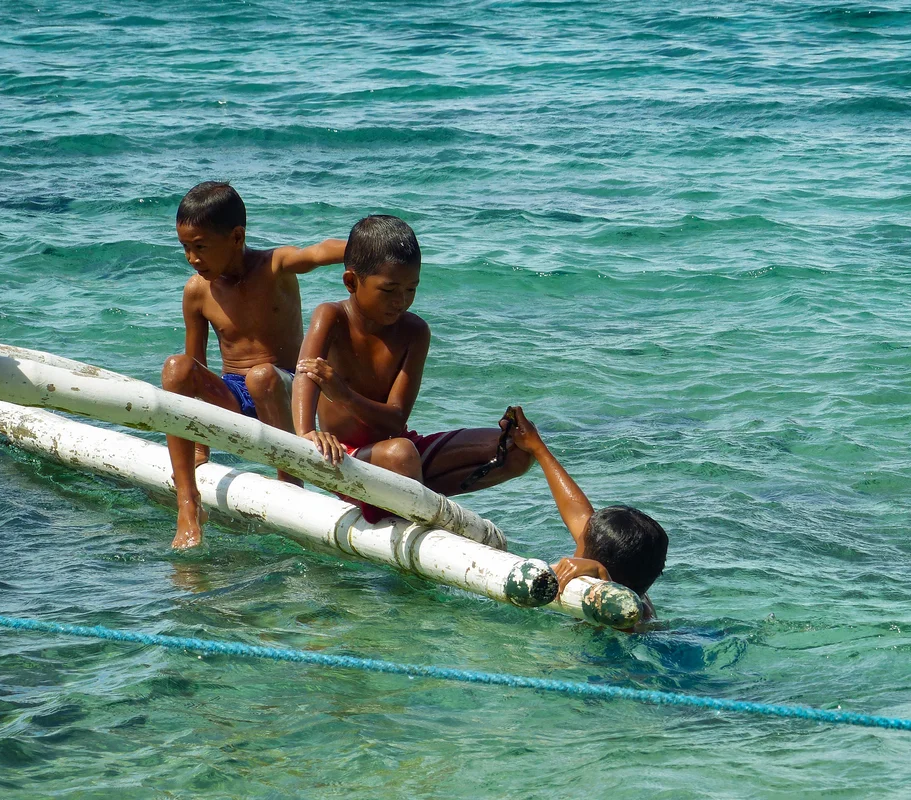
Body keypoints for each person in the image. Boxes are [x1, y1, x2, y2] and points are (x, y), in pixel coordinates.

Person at [291, 214, 533, 521]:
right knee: (402, 454)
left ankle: (414, 495)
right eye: (389, 290)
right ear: (351, 282)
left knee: (515, 451)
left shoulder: (415, 332)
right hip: (347, 458)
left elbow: (394, 421)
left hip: (397, 449)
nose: (401, 301)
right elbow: (305, 373)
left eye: (411, 289)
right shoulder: (331, 316)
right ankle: (428, 520)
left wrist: (345, 396)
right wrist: (306, 433)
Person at [162, 181, 346, 549]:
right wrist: (200, 447)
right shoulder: (197, 291)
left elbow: (318, 252)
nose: (192, 258)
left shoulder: (274, 267)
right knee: (176, 368)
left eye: (200, 247)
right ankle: (188, 502)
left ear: (236, 236)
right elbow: (196, 365)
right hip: (236, 396)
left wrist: (373, 246)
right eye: (185, 247)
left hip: (288, 392)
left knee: (262, 376)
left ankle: (290, 481)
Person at [506, 406, 667, 617]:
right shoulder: (636, 581)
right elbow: (577, 512)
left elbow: (627, 622)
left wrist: (602, 577)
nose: (579, 531)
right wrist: (537, 448)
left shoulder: (637, 616)